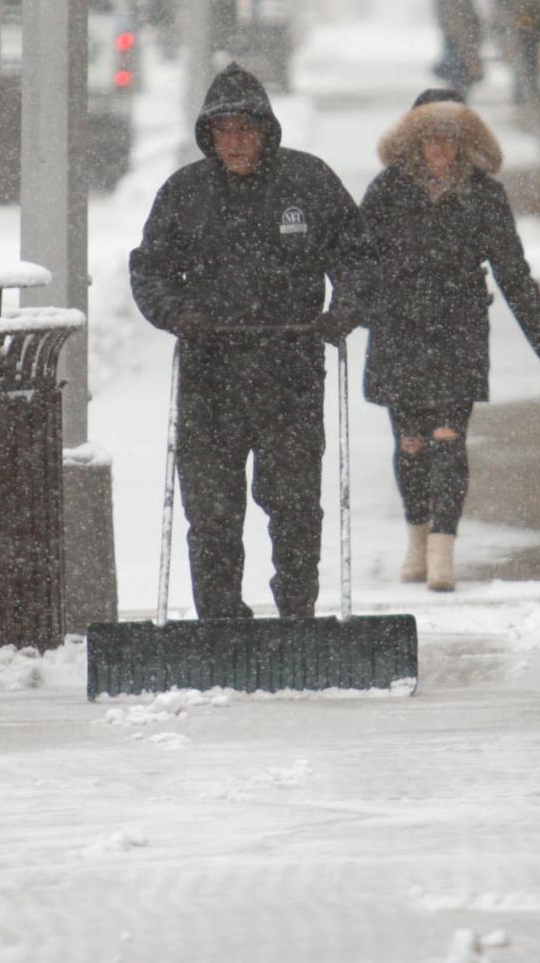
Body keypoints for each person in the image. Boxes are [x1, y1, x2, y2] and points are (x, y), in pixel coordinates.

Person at [129, 62, 364, 621]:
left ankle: (297, 615)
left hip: (291, 373)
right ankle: (219, 619)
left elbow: (358, 256)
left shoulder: (308, 183)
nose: (235, 143)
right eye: (224, 132)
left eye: (246, 130)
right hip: (210, 377)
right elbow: (150, 268)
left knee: (295, 505)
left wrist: (343, 311)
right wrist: (176, 314)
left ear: (265, 131)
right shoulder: (185, 193)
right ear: (209, 136)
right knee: (210, 511)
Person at [359, 88, 540, 592]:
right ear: (415, 139)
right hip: (400, 329)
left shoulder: (484, 194)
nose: (440, 148)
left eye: (450, 138)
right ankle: (416, 539)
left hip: (459, 328)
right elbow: (358, 259)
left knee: (448, 438)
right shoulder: (387, 190)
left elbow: (512, 268)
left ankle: (442, 551)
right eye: (430, 137)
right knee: (410, 442)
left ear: (464, 140)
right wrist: (351, 314)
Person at [433, 0, 484, 96]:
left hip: (455, 40)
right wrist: (468, 46)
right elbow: (458, 17)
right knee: (459, 83)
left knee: (458, 82)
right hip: (459, 41)